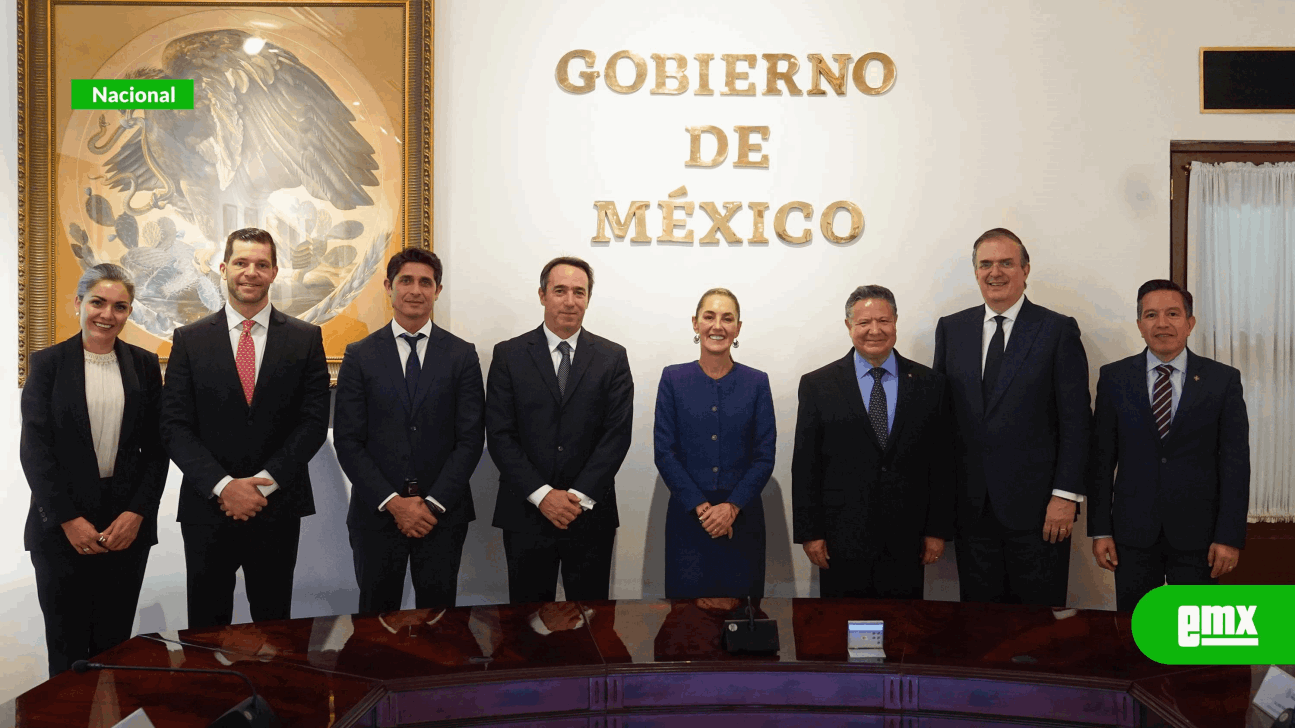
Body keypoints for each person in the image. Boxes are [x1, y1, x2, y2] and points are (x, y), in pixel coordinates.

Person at [161, 227, 330, 629]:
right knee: (205, 627)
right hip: (208, 507)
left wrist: (263, 484)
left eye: (261, 264)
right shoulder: (189, 340)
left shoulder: (306, 339)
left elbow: (313, 422)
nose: (250, 272)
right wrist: (225, 486)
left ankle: (271, 695)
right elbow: (174, 426)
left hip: (277, 506)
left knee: (276, 626)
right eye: (241, 262)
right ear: (223, 268)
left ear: (274, 272)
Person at [20, 264, 169, 675]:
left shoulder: (143, 365)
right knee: (68, 654)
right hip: (62, 529)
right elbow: (35, 451)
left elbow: (157, 449)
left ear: (129, 312)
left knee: (115, 649)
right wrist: (69, 520)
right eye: (98, 303)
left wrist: (137, 513)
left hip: (125, 528)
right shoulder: (48, 364)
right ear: (78, 303)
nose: (107, 315)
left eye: (120, 307)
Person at [932, 228, 1091, 607]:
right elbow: (941, 422)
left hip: (1040, 513)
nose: (995, 272)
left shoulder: (1056, 329)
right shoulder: (952, 329)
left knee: (1038, 626)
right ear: (975, 272)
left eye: (1006, 262)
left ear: (1026, 269)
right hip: (971, 511)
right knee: (979, 626)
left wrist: (1065, 496)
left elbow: (1077, 421)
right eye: (985, 264)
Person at [334, 248, 485, 613]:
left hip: (442, 515)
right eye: (406, 280)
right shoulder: (359, 355)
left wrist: (430, 505)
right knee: (375, 621)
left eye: (425, 282)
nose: (415, 290)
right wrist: (394, 503)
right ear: (389, 287)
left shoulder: (462, 355)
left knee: (440, 622)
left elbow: (470, 439)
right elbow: (348, 440)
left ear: (438, 290)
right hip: (378, 513)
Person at [1088, 279, 1249, 612]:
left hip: (1200, 537)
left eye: (1173, 314)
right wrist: (1100, 530)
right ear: (1139, 325)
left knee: (1195, 640)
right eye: (1151, 315)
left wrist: (1229, 536)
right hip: (1132, 534)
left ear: (1190, 323)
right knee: (1135, 634)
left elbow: (1235, 465)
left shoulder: (1223, 380)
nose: (1162, 323)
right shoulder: (1115, 378)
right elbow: (1102, 461)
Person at [485, 256, 633, 603]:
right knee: (526, 627)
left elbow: (617, 435)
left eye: (579, 292)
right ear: (542, 295)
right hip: (526, 512)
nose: (570, 301)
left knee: (592, 624)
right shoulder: (509, 355)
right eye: (560, 290)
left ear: (588, 298)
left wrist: (576, 498)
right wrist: (543, 495)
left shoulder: (612, 357)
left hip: (589, 515)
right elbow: (500, 435)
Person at [793, 285, 954, 599]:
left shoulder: (930, 384)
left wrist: (937, 531)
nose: (874, 330)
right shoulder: (818, 385)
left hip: (908, 539)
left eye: (883, 321)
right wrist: (810, 534)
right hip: (841, 540)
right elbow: (806, 467)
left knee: (904, 634)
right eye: (864, 322)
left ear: (896, 322)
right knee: (841, 633)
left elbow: (942, 463)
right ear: (848, 326)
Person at [654, 288, 775, 599]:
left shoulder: (757, 382)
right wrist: (704, 509)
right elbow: (664, 452)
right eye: (709, 317)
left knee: (744, 622)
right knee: (686, 627)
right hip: (688, 519)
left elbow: (764, 457)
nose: (717, 326)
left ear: (738, 328)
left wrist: (731, 508)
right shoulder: (672, 379)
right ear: (695, 323)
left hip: (743, 518)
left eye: (727, 318)